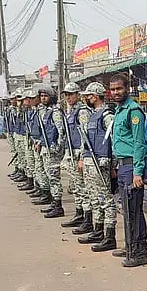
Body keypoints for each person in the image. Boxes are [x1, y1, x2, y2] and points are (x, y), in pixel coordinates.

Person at [110, 73, 147, 267]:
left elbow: (139, 143)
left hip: (132, 165)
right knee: (127, 210)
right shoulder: (119, 111)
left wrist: (138, 172)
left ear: (128, 88)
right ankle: (130, 246)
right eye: (113, 89)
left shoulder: (134, 111)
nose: (116, 92)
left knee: (134, 210)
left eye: (119, 88)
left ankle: (139, 252)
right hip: (122, 165)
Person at [77, 82, 117, 252]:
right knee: (94, 198)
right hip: (90, 161)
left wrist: (114, 163)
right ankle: (98, 230)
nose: (86, 98)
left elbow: (114, 139)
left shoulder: (106, 115)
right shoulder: (93, 115)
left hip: (102, 162)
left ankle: (109, 236)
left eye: (88, 96)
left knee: (106, 200)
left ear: (95, 96)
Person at [60, 83, 91, 229]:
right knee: (76, 186)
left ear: (78, 95)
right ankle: (79, 214)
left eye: (71, 94)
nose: (68, 97)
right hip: (71, 151)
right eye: (66, 95)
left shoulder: (82, 111)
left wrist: (82, 157)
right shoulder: (71, 111)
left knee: (83, 188)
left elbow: (86, 135)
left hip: (79, 152)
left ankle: (87, 218)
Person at [37, 86, 67, 219]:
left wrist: (58, 147)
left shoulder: (55, 112)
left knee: (54, 178)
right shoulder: (47, 111)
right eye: (41, 96)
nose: (43, 98)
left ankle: (58, 205)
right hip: (46, 147)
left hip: (53, 150)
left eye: (45, 96)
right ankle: (54, 202)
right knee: (49, 176)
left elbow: (61, 132)